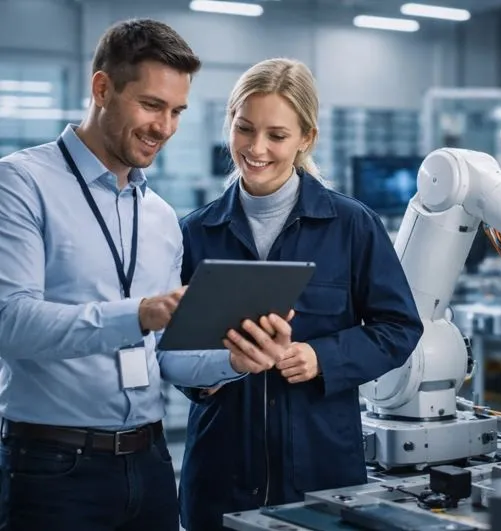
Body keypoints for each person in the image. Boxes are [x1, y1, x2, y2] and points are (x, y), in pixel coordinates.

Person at [0, 19, 288, 531]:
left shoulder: (159, 216)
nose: (165, 127)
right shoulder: (21, 184)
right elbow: (10, 322)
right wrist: (140, 313)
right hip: (52, 467)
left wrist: (235, 360)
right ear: (102, 88)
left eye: (176, 111)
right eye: (152, 105)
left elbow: (169, 360)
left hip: (151, 464)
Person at [177, 57, 423, 531]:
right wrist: (201, 380)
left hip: (322, 470)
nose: (256, 148)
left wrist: (323, 356)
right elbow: (172, 348)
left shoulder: (352, 226)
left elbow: (400, 328)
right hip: (220, 472)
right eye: (244, 129)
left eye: (277, 135)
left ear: (306, 138)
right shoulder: (195, 233)